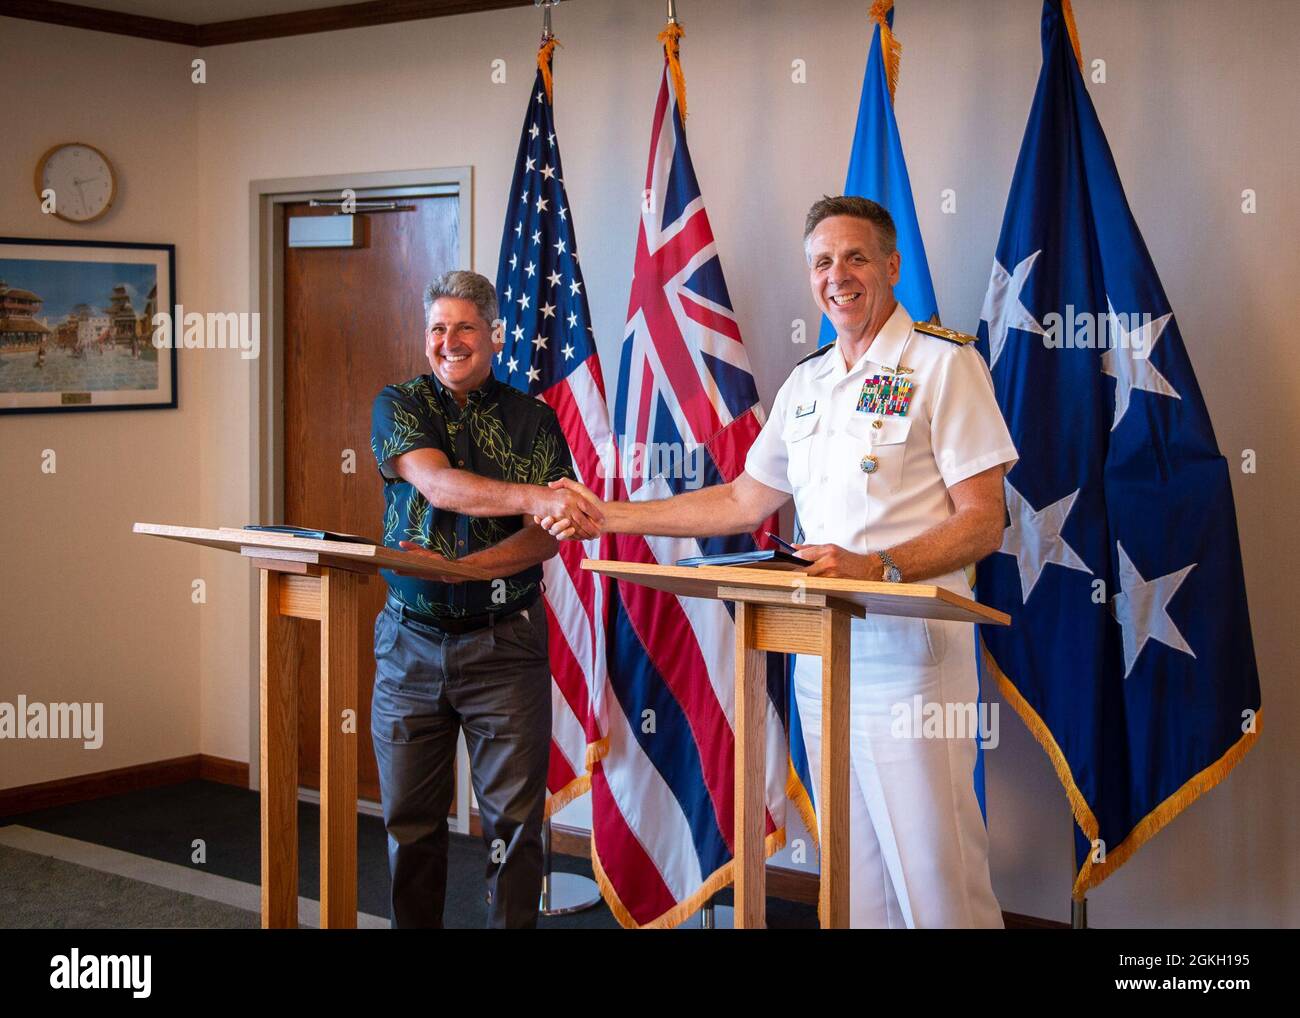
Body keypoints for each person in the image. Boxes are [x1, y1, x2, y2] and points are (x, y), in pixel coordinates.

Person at [539, 196, 1017, 928]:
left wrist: (878, 566)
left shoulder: (943, 364)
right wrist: (609, 516)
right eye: (823, 262)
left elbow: (985, 521)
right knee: (856, 885)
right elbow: (740, 501)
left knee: (936, 879)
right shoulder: (809, 382)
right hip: (822, 659)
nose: (838, 276)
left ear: (891, 266)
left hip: (908, 664)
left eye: (856, 257)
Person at [369, 269, 602, 928]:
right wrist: (538, 496)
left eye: (464, 327)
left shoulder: (533, 420)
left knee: (514, 827)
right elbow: (439, 486)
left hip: (505, 646)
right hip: (408, 646)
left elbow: (545, 540)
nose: (449, 341)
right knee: (409, 824)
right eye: (437, 328)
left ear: (493, 335)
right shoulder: (401, 403)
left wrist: (466, 571)